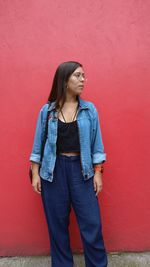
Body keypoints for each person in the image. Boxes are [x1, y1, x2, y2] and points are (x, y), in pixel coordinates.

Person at [29, 61, 108, 267]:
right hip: (53, 173)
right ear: (64, 80)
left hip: (83, 171)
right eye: (78, 76)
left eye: (83, 75)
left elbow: (97, 146)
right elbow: (38, 146)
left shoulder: (90, 110)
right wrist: (35, 173)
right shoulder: (47, 111)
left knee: (92, 225)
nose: (83, 80)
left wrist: (98, 172)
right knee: (57, 228)